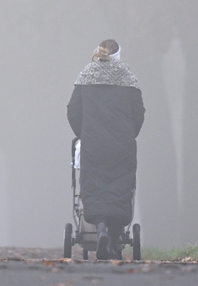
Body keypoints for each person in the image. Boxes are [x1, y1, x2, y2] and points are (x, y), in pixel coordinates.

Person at [67, 38, 145, 260]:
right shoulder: (128, 77)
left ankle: (100, 227)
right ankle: (112, 237)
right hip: (122, 145)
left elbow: (73, 110)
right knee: (121, 186)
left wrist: (84, 133)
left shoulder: (86, 76)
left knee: (94, 184)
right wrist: (130, 134)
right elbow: (139, 112)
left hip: (93, 144)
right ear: (119, 53)